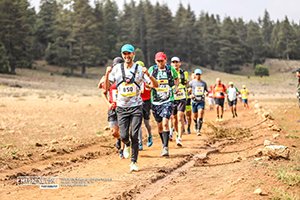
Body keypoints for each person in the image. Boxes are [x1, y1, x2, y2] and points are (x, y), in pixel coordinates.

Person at [104, 44, 158, 172]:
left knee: (134, 134)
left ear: (133, 54)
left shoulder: (139, 69)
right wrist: (107, 75)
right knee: (123, 136)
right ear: (122, 55)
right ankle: (126, 144)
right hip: (121, 108)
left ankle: (134, 162)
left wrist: (148, 75)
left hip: (136, 106)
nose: (127, 56)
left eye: (129, 53)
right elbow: (106, 87)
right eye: (124, 54)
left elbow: (155, 85)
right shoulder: (117, 69)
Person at [148, 52, 179, 156]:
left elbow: (176, 78)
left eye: (162, 60)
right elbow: (147, 82)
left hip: (168, 100)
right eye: (158, 61)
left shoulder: (170, 69)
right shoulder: (152, 70)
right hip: (155, 101)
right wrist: (150, 86)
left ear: (165, 60)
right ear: (155, 61)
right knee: (160, 126)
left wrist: (176, 87)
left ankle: (166, 148)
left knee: (166, 123)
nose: (160, 63)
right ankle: (163, 143)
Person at [98, 57, 124, 158]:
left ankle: (122, 149)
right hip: (112, 108)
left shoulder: (126, 76)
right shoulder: (109, 77)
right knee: (114, 132)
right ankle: (119, 139)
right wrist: (108, 104)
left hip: (124, 107)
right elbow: (102, 90)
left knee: (123, 130)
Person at [170, 56, 189, 146]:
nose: (175, 64)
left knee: (180, 117)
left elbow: (186, 83)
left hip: (182, 97)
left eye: (176, 62)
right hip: (173, 97)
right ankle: (177, 133)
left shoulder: (184, 73)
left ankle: (179, 138)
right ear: (171, 64)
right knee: (174, 119)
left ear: (179, 63)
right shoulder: (168, 73)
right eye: (173, 62)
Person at [135, 60, 153, 150]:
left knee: (146, 123)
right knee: (138, 123)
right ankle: (140, 143)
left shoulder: (146, 78)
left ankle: (150, 135)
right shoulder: (134, 79)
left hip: (146, 102)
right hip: (137, 102)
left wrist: (147, 87)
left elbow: (152, 86)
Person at [188, 69, 208, 136]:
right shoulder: (191, 83)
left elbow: (206, 91)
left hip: (201, 101)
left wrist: (206, 93)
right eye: (197, 74)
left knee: (200, 114)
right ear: (195, 75)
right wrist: (190, 95)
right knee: (194, 117)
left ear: (201, 75)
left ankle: (198, 130)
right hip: (194, 101)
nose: (198, 75)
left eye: (199, 74)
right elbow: (188, 91)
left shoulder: (203, 83)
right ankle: (196, 124)